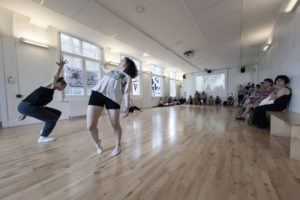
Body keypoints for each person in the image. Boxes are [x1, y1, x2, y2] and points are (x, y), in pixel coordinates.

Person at [86, 57, 138, 157]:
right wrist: (103, 65)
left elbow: (127, 92)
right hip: (97, 93)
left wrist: (127, 106)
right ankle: (97, 144)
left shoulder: (127, 77)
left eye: (122, 61)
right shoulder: (113, 71)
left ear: (127, 65)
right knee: (90, 126)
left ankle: (118, 146)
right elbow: (104, 69)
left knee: (115, 124)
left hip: (113, 99)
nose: (120, 62)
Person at [17, 58, 67, 143]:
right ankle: (42, 138)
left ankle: (44, 130)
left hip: (28, 106)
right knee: (52, 118)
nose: (63, 89)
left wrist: (24, 114)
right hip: (26, 106)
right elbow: (55, 77)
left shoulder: (51, 90)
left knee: (57, 113)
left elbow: (35, 100)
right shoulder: (49, 86)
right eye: (64, 86)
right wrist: (60, 67)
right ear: (59, 84)